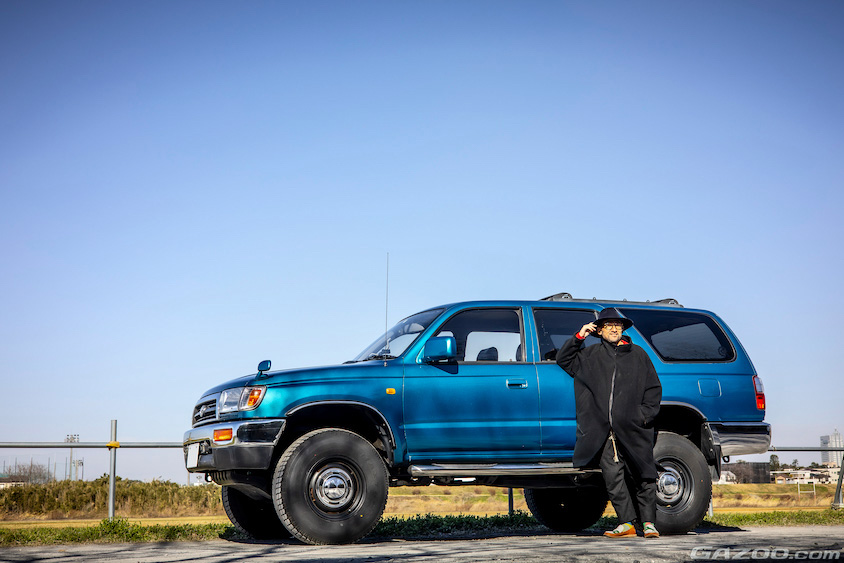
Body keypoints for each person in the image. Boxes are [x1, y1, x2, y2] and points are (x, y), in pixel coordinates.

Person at [556, 308, 662, 538]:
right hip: (604, 432)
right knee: (613, 478)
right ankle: (627, 523)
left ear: (623, 329)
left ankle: (650, 524)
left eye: (618, 324)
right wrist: (580, 336)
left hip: (634, 428)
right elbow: (563, 359)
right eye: (608, 325)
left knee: (643, 474)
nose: (614, 328)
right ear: (600, 330)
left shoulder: (639, 355)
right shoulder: (590, 356)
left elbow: (653, 389)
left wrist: (644, 416)